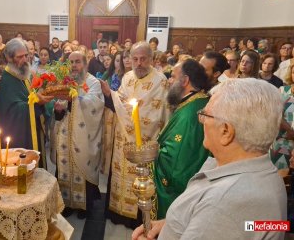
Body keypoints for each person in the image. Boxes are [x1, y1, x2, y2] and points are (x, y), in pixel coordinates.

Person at [133, 78, 286, 240]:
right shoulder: (264, 173)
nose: (201, 121)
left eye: (205, 115)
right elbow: (252, 226)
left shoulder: (223, 203)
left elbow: (228, 220)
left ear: (226, 132)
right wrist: (172, 223)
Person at [100, 41, 169, 229]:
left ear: (152, 59)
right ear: (130, 59)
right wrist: (110, 94)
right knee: (119, 177)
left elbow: (160, 114)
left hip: (145, 140)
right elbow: (120, 100)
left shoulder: (160, 81)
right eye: (135, 59)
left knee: (141, 177)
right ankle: (116, 212)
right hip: (123, 138)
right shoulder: (127, 77)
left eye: (143, 59)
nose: (139, 63)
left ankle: (137, 218)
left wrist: (134, 113)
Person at [154, 59, 210, 219]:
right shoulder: (198, 101)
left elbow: (177, 159)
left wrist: (153, 159)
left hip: (179, 192)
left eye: (172, 76)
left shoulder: (189, 114)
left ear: (185, 80)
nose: (169, 81)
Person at [53, 51, 104, 218]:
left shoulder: (92, 82)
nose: (74, 65)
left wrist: (73, 99)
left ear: (85, 64)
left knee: (83, 164)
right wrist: (58, 109)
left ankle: (84, 205)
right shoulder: (65, 82)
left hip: (84, 136)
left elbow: (95, 105)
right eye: (71, 62)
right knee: (64, 166)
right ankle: (67, 203)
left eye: (77, 62)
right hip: (65, 134)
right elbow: (58, 106)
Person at [0, 38, 52, 168]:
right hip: (17, 136)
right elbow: (11, 112)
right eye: (20, 57)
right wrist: (36, 102)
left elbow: (28, 98)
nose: (25, 60)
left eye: (26, 55)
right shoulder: (6, 80)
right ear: (9, 58)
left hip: (29, 128)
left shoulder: (21, 75)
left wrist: (38, 99)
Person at [270, 64, 294, 170]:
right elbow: (274, 113)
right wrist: (289, 130)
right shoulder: (282, 91)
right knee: (280, 176)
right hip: (283, 140)